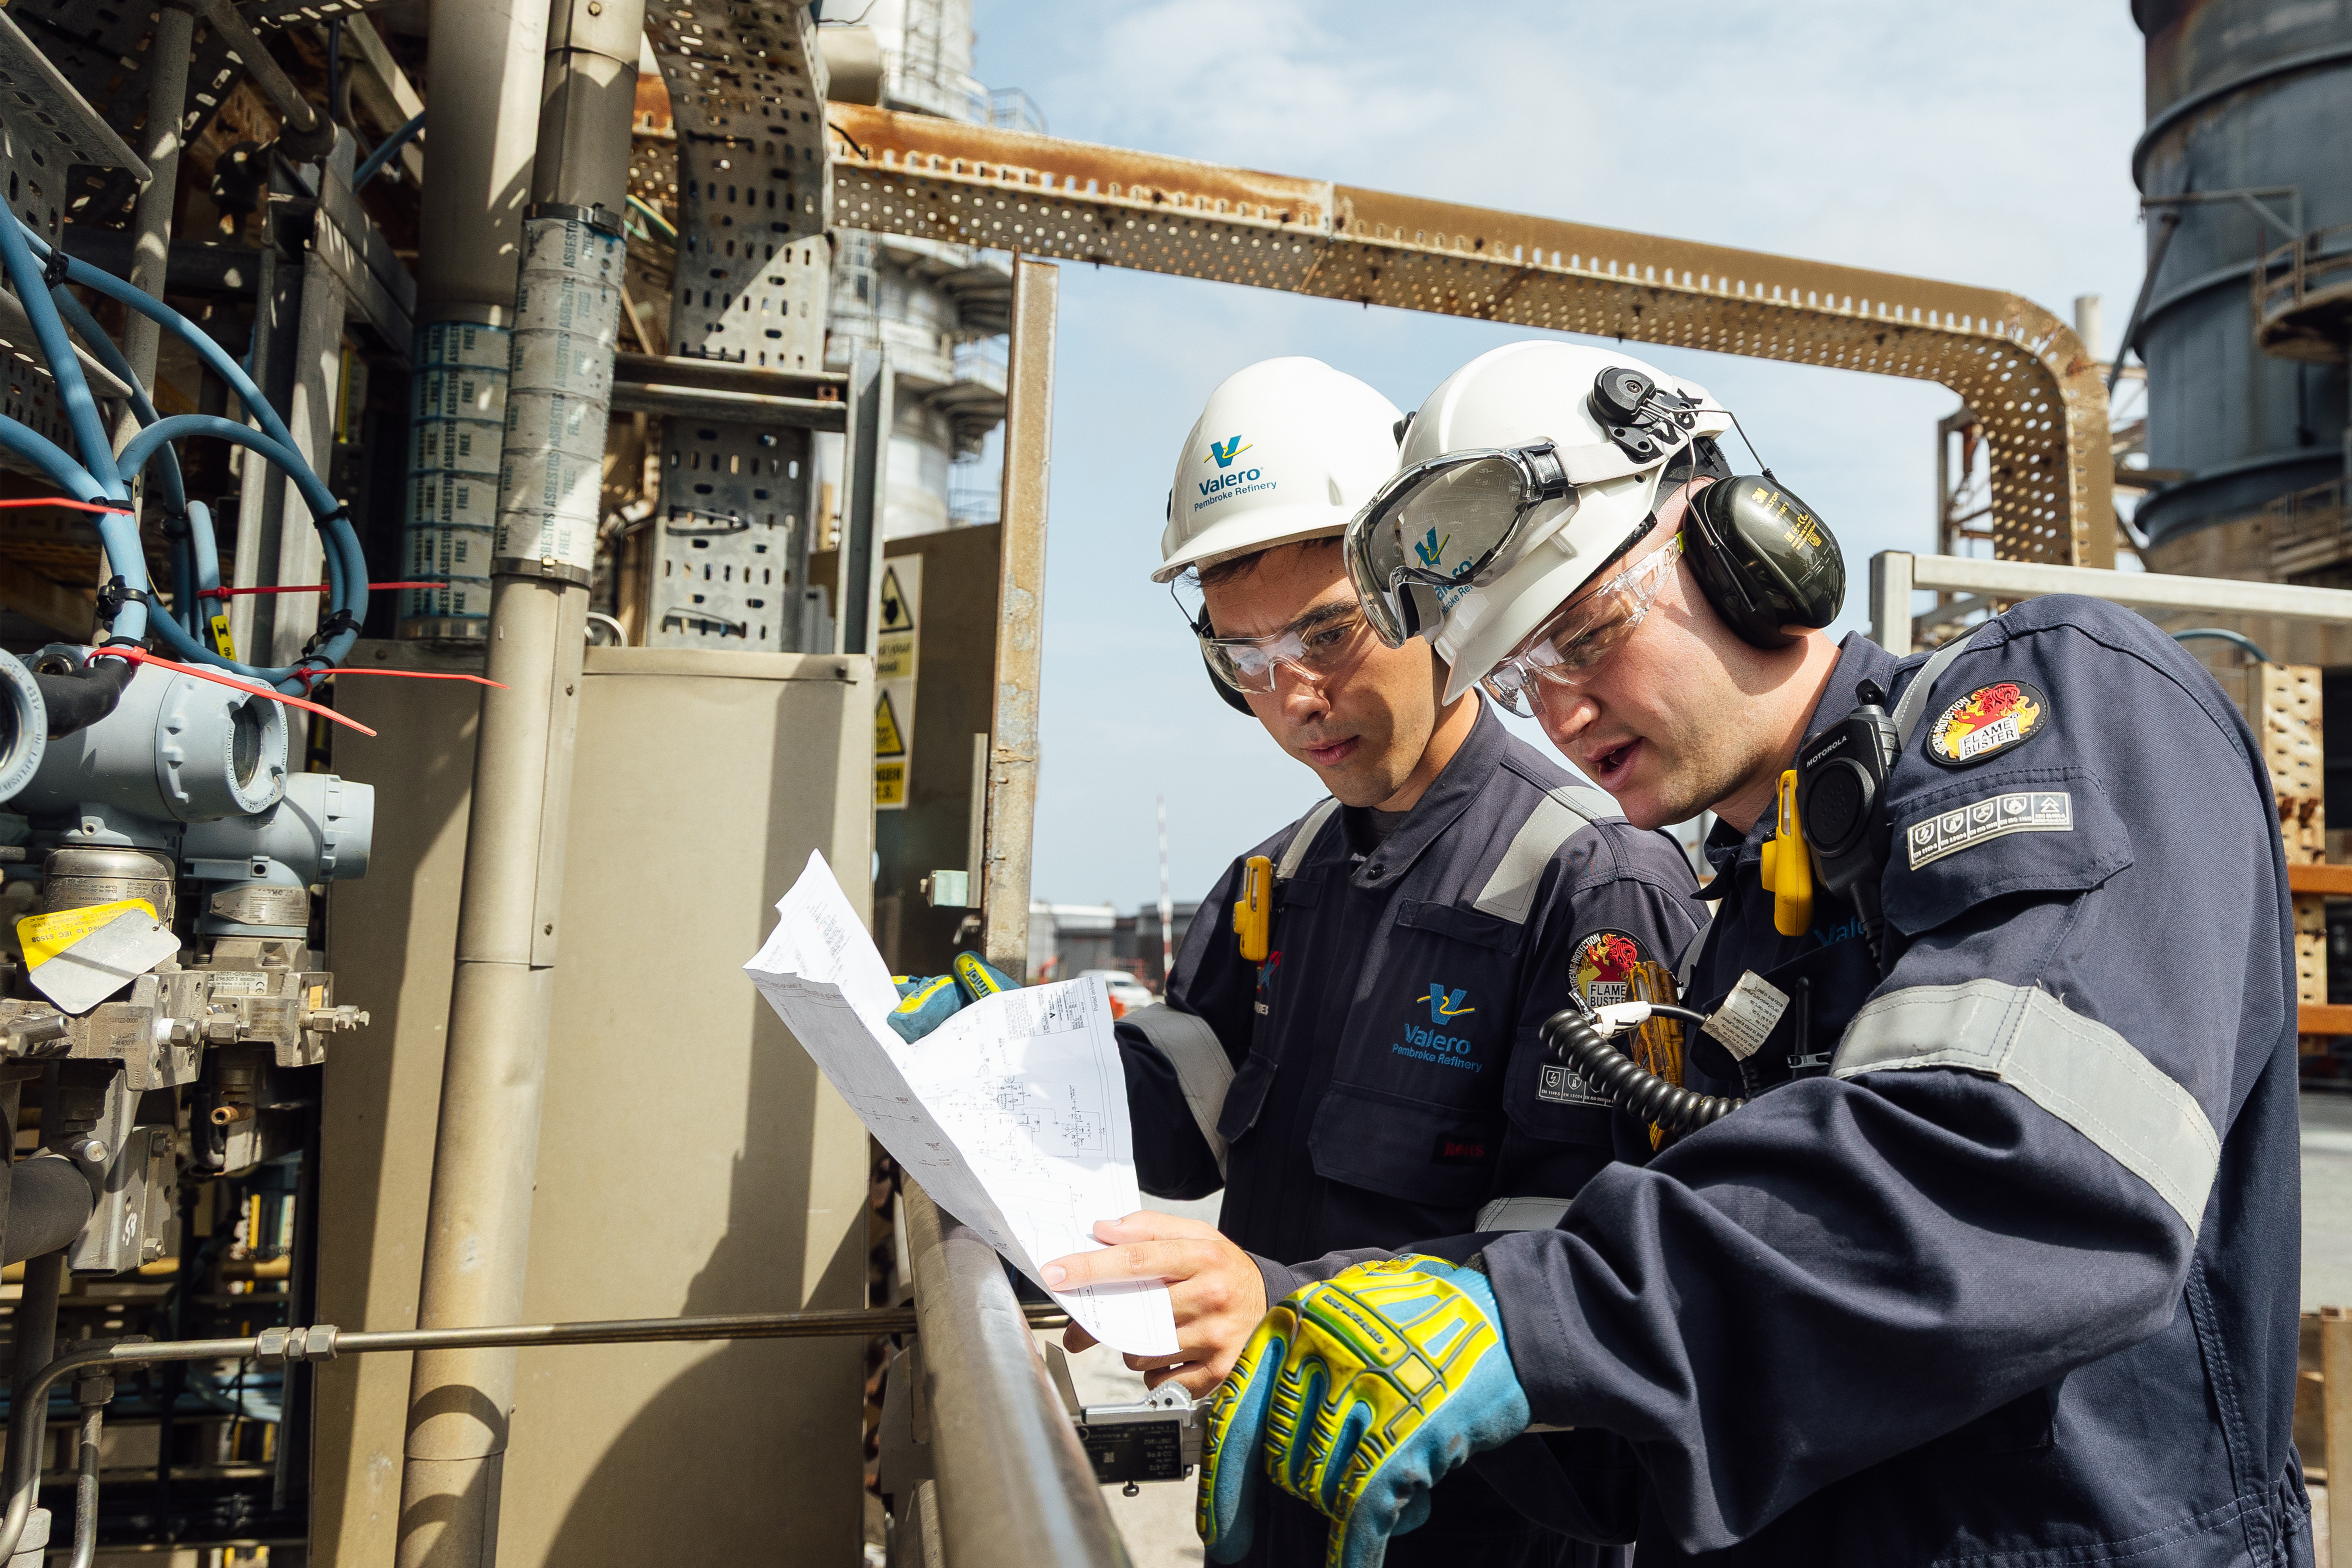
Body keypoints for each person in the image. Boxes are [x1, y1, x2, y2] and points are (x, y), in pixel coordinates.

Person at [1131, 339, 2304, 1568]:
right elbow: (1680, 1401)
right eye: (1526, 679)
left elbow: (2028, 1175)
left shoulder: (2052, 706)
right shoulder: (1750, 929)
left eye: (1582, 632)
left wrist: (1523, 1319)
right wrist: (1319, 1320)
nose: (1567, 713)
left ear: (1743, 546)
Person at [906, 354, 1707, 1567]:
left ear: (1434, 591)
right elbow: (1176, 1105)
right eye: (1246, 658)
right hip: (1278, 1506)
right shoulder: (1279, 881)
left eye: (1331, 633)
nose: (1293, 697)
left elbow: (1594, 1275)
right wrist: (1008, 1064)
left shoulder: (1592, 883)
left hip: (1481, 1531)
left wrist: (1273, 1302)